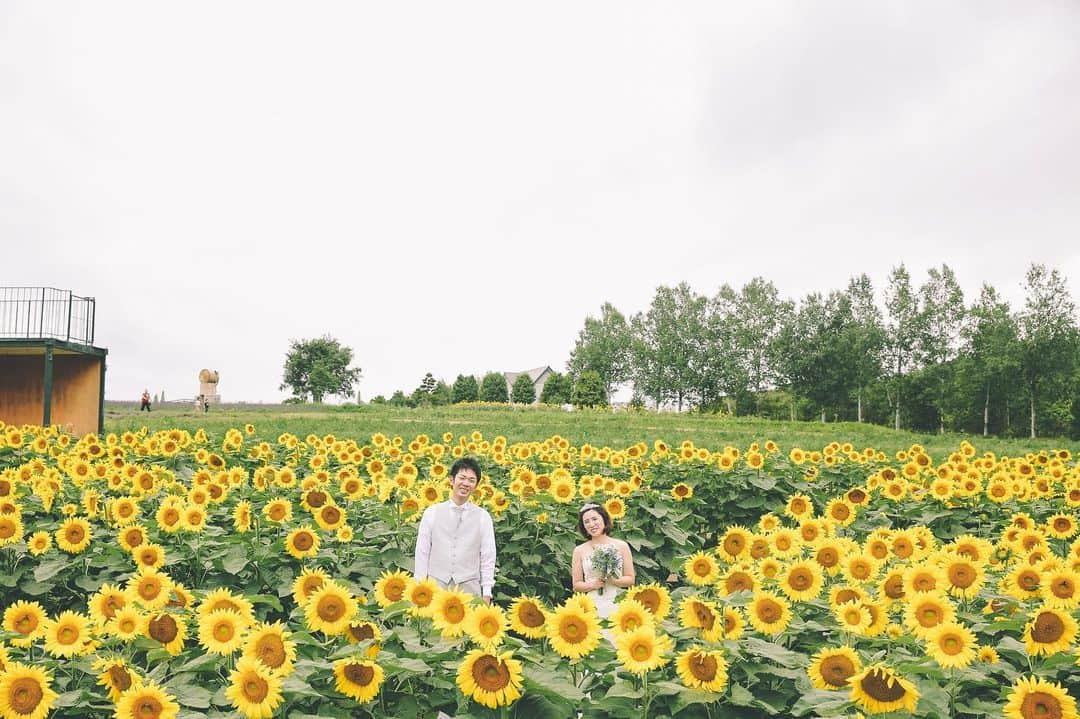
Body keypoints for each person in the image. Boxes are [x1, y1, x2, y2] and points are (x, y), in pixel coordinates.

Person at [413, 457, 496, 604]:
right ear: (451, 480)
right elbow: (422, 551)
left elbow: (488, 556)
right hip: (436, 585)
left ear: (476, 485)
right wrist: (419, 585)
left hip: (469, 588)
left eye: (471, 480)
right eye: (462, 478)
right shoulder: (431, 513)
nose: (466, 483)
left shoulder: (483, 517)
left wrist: (487, 591)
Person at [571, 503, 635, 619]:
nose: (591, 524)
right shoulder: (579, 550)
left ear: (604, 519)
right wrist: (592, 584)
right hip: (592, 603)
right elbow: (576, 585)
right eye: (587, 522)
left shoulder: (621, 546)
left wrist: (614, 579)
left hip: (617, 601)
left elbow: (630, 579)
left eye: (595, 519)